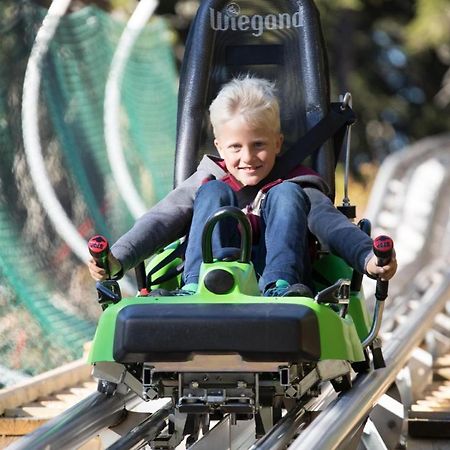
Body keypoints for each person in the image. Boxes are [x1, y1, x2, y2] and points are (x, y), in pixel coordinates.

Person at [88, 76, 397, 296]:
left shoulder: (299, 185)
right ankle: (197, 285)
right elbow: (159, 220)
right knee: (211, 193)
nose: (247, 157)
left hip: (281, 285)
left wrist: (368, 258)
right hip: (212, 284)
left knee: (286, 194)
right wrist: (118, 258)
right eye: (236, 147)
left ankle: (280, 287)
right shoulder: (207, 180)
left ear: (278, 144)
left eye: (259, 145)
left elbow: (333, 227)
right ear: (220, 147)